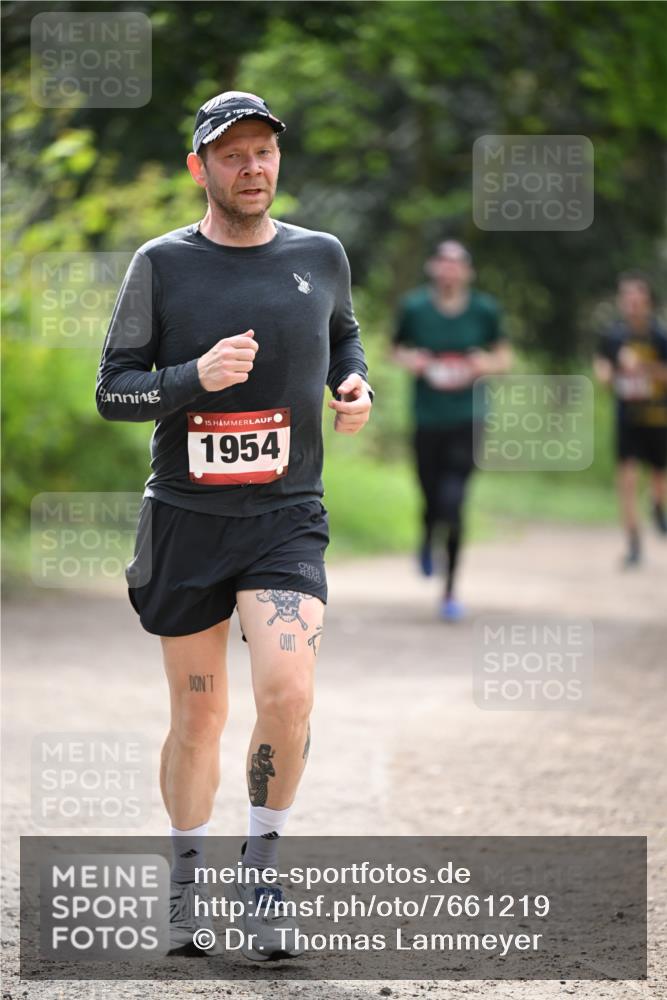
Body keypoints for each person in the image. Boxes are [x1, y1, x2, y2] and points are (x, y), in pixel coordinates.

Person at [96, 90, 374, 959]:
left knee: (288, 695)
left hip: (286, 516)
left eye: (262, 152)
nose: (251, 168)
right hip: (186, 516)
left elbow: (344, 336)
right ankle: (184, 884)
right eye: (231, 155)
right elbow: (113, 391)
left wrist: (353, 383)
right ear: (200, 169)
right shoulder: (162, 265)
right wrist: (193, 378)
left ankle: (261, 878)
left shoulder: (320, 254)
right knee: (199, 718)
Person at [392, 240, 511, 620]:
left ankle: (449, 591)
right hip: (427, 417)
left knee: (454, 501)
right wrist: (413, 359)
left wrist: (484, 364)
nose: (449, 270)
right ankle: (427, 536)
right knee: (430, 496)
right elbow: (395, 348)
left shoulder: (484, 310)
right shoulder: (414, 308)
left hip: (469, 418)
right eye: (443, 263)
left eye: (456, 264)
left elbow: (504, 357)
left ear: (467, 272)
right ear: (433, 268)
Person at [594, 270, 667, 567]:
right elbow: (602, 370)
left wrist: (645, 370)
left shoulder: (660, 336)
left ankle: (657, 507)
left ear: (647, 301)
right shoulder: (613, 337)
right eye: (627, 298)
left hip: (659, 416)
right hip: (627, 417)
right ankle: (634, 542)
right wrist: (611, 375)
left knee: (659, 476)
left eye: (638, 298)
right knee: (626, 478)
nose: (632, 303)